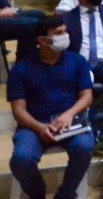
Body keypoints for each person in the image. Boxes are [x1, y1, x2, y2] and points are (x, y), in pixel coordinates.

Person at [7, 16, 95, 199]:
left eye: (65, 31)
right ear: (42, 40)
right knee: (21, 160)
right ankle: (37, 193)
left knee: (84, 147)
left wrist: (69, 115)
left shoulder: (77, 61)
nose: (64, 36)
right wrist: (39, 127)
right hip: (34, 124)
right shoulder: (21, 69)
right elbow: (18, 110)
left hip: (70, 122)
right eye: (58, 33)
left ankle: (65, 194)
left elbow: (87, 96)